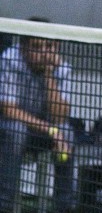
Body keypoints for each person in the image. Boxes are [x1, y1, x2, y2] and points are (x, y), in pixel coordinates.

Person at [0, 20, 75, 213]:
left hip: (44, 133)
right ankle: (5, 205)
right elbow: (9, 110)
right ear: (23, 48)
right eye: (36, 47)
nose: (43, 53)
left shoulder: (62, 68)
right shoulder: (9, 59)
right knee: (16, 130)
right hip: (10, 129)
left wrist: (49, 74)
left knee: (67, 132)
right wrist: (51, 130)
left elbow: (59, 118)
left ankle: (64, 207)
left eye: (49, 46)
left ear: (56, 48)